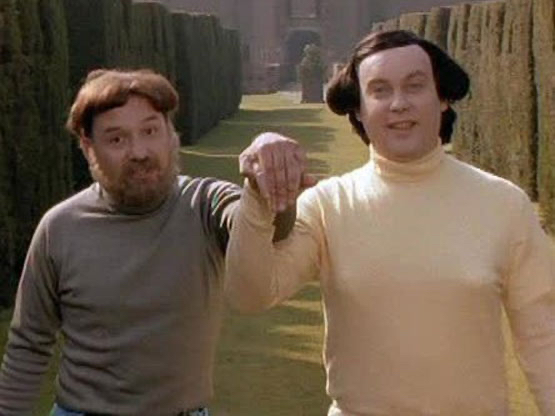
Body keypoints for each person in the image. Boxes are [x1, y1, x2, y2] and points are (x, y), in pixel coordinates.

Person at [226, 30, 555, 415]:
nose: (399, 104)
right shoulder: (329, 204)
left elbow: (543, 335)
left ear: (442, 98)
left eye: (415, 86)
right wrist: (256, 195)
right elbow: (250, 295)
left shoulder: (503, 203)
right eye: (380, 90)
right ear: (359, 110)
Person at [0, 69, 307, 415]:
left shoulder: (204, 203)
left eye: (150, 131)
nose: (139, 152)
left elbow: (270, 230)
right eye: (117, 139)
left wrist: (267, 176)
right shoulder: (60, 228)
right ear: (88, 148)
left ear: (170, 135)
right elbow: (28, 346)